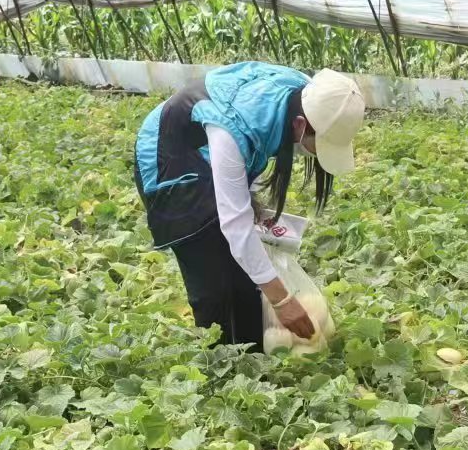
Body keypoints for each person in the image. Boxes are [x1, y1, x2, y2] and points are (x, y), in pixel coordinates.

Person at [133, 62, 364, 350]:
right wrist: (282, 300)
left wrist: (252, 206)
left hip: (211, 148)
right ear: (301, 125)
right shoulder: (232, 124)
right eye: (321, 143)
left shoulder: (307, 95)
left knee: (246, 279)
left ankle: (253, 357)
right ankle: (220, 366)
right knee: (211, 277)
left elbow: (247, 159)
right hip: (169, 160)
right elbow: (235, 223)